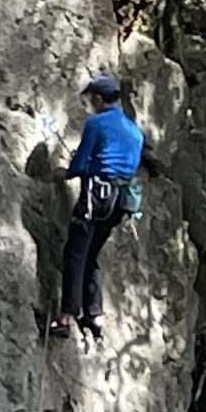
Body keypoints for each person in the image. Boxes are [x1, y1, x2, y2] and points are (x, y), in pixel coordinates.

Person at [54, 71, 143, 344]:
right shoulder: (134, 131)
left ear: (96, 98)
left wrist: (67, 173)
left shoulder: (97, 123)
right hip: (121, 200)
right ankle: (95, 315)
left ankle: (67, 316)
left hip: (97, 194)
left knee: (76, 251)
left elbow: (81, 162)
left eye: (91, 98)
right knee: (92, 252)